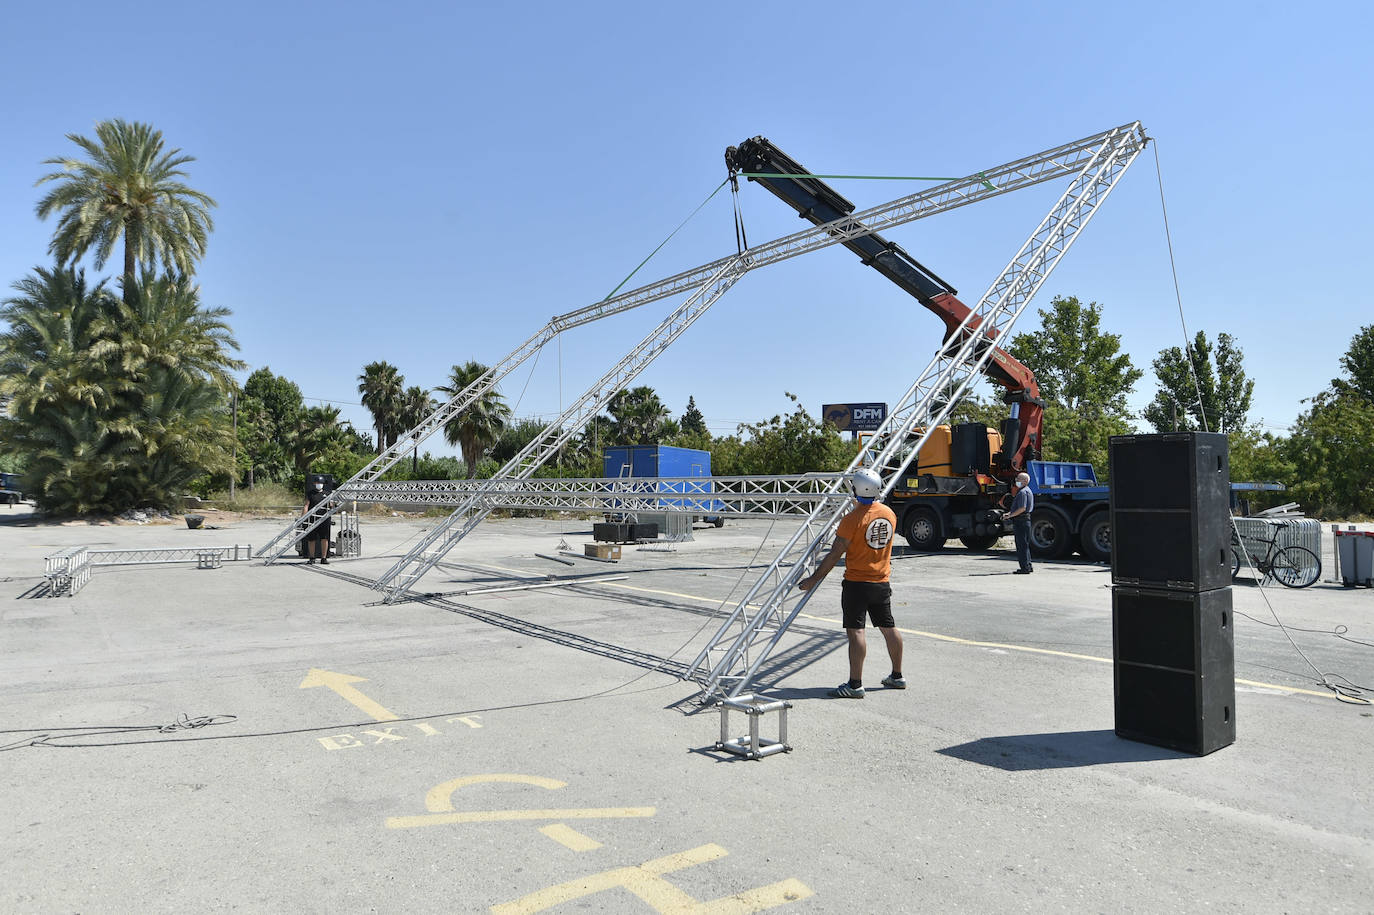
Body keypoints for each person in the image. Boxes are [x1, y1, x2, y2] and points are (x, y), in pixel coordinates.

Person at [797, 468, 904, 699]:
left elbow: (835, 554)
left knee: (856, 631)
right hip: (882, 581)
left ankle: (855, 684)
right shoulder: (889, 513)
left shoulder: (851, 519)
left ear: (857, 489)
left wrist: (813, 579)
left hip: (857, 582)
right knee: (888, 627)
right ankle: (897, 675)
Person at [1003, 471, 1034, 574]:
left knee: (1021, 545)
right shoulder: (1028, 490)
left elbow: (1022, 508)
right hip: (1025, 520)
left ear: (1025, 481)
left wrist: (1010, 515)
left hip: (1021, 521)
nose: (1016, 481)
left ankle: (1024, 568)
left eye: (1018, 479)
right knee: (1025, 545)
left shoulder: (1022, 492)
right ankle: (1028, 566)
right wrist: (1010, 513)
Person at [302, 479, 332, 565]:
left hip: (324, 519)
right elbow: (306, 506)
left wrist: (333, 505)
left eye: (321, 483)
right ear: (314, 483)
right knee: (311, 539)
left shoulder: (327, 494)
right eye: (317, 483)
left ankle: (324, 558)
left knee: (324, 538)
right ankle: (312, 558)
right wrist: (303, 518)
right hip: (312, 519)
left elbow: (331, 505)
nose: (319, 484)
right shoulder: (310, 493)